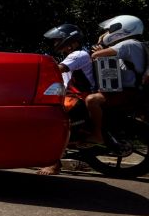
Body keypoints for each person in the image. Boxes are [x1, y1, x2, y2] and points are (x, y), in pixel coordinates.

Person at [36, 24, 95, 175]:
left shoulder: (78, 55)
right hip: (72, 96)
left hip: (78, 98)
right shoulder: (73, 56)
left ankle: (54, 164)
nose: (55, 44)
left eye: (58, 40)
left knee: (50, 123)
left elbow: (56, 69)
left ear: (71, 42)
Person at [83, 15, 145, 146]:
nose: (106, 33)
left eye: (108, 30)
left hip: (127, 93)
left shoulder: (128, 44)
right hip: (133, 91)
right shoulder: (138, 45)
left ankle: (97, 134)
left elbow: (95, 55)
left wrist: (100, 45)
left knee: (92, 100)